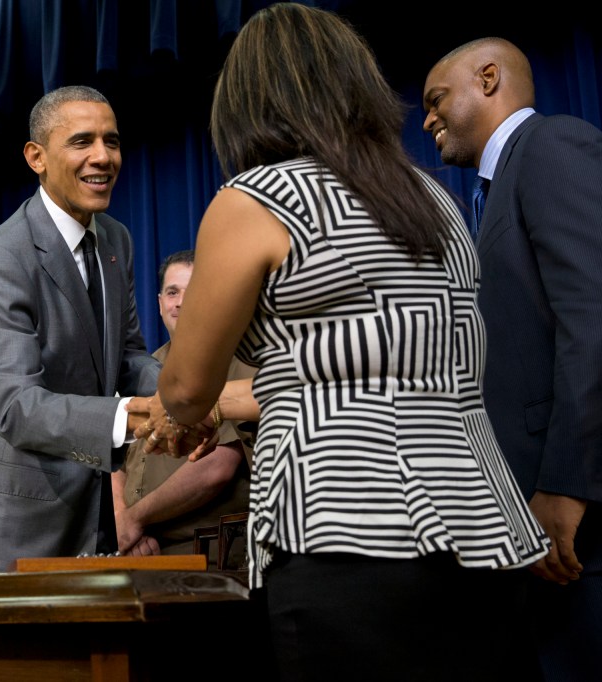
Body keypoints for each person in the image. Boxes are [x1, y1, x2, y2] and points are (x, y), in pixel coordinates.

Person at [150, 5, 549, 679]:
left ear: (246, 102)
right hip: (487, 535)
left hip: (344, 538)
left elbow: (186, 389)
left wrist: (179, 411)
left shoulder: (258, 198)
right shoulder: (432, 195)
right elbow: (364, 359)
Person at [423, 37, 602, 680]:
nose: (426, 119)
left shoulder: (552, 146)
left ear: (490, 78)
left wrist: (568, 483)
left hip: (576, 515)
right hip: (532, 519)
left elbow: (594, 319)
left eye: (436, 99)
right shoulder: (490, 192)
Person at [0, 84, 161, 572]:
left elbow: (126, 357)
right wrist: (139, 417)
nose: (103, 157)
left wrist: (184, 395)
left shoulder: (115, 240)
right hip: (15, 520)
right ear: (36, 157)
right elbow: (16, 408)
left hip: (91, 504)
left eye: (113, 141)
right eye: (82, 142)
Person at [113, 249, 254, 559]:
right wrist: (123, 524)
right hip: (141, 551)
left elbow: (217, 467)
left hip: (210, 555)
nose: (180, 302)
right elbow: (115, 461)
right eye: (172, 292)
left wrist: (135, 519)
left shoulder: (235, 360)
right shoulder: (141, 368)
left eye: (192, 292)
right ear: (160, 302)